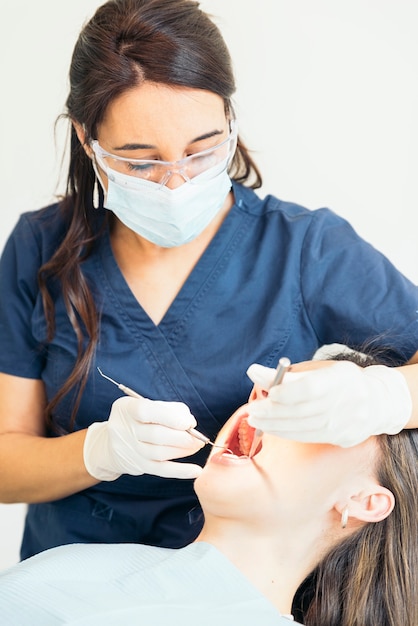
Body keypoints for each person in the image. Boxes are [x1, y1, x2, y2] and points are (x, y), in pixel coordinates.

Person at [1, 0, 418, 562]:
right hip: (69, 584)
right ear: (87, 140)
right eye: (140, 161)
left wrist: (383, 396)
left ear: (231, 122)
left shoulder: (305, 248)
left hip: (241, 587)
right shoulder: (40, 249)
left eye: (202, 150)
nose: (176, 183)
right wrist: (98, 451)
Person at [0, 354, 417, 626]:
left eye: (313, 411)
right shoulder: (73, 564)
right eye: (276, 387)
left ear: (364, 502)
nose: (264, 399)